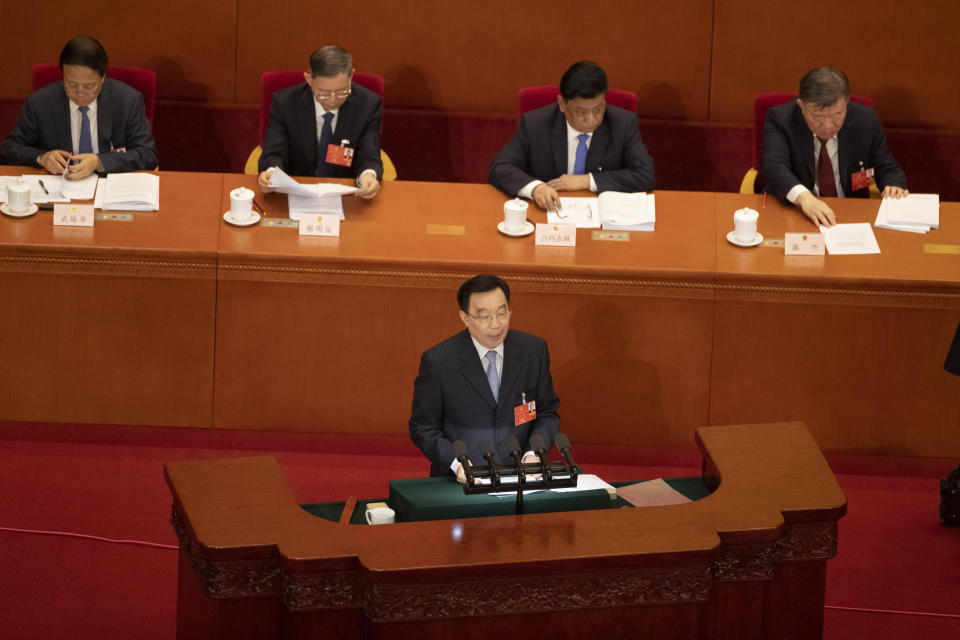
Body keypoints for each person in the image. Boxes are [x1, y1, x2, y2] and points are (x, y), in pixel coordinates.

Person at [409, 274, 560, 481]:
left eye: (502, 313)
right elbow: (423, 427)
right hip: (461, 480)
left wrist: (533, 453)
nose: (496, 324)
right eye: (484, 316)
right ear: (465, 317)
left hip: (521, 476)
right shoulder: (439, 362)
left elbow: (546, 412)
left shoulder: (533, 351)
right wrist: (457, 463)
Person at [488, 60, 654, 212]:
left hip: (601, 218)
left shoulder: (623, 124)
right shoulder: (535, 124)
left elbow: (645, 175)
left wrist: (586, 181)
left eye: (598, 109)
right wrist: (536, 188)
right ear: (562, 104)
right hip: (548, 214)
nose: (591, 119)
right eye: (581, 112)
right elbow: (500, 167)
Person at [761, 66, 908, 227]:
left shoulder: (866, 120)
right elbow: (773, 166)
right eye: (818, 116)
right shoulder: (781, 119)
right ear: (801, 106)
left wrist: (894, 185)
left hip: (851, 213)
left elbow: (886, 167)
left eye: (837, 114)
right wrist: (805, 197)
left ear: (846, 103)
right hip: (797, 212)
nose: (828, 125)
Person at [0, 35, 157, 179]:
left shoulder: (127, 101)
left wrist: (99, 161)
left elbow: (147, 154)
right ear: (63, 75)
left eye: (88, 86)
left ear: (103, 78)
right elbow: (9, 149)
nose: (80, 93)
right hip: (58, 188)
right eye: (72, 84)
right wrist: (42, 158)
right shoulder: (40, 102)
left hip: (108, 188)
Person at [258, 45, 382, 199]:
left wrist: (367, 175)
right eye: (323, 93)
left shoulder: (368, 105)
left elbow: (369, 155)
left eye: (342, 91)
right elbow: (274, 152)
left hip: (345, 196)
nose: (332, 100)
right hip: (296, 192)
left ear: (351, 76)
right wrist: (271, 173)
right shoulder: (285, 103)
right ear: (309, 79)